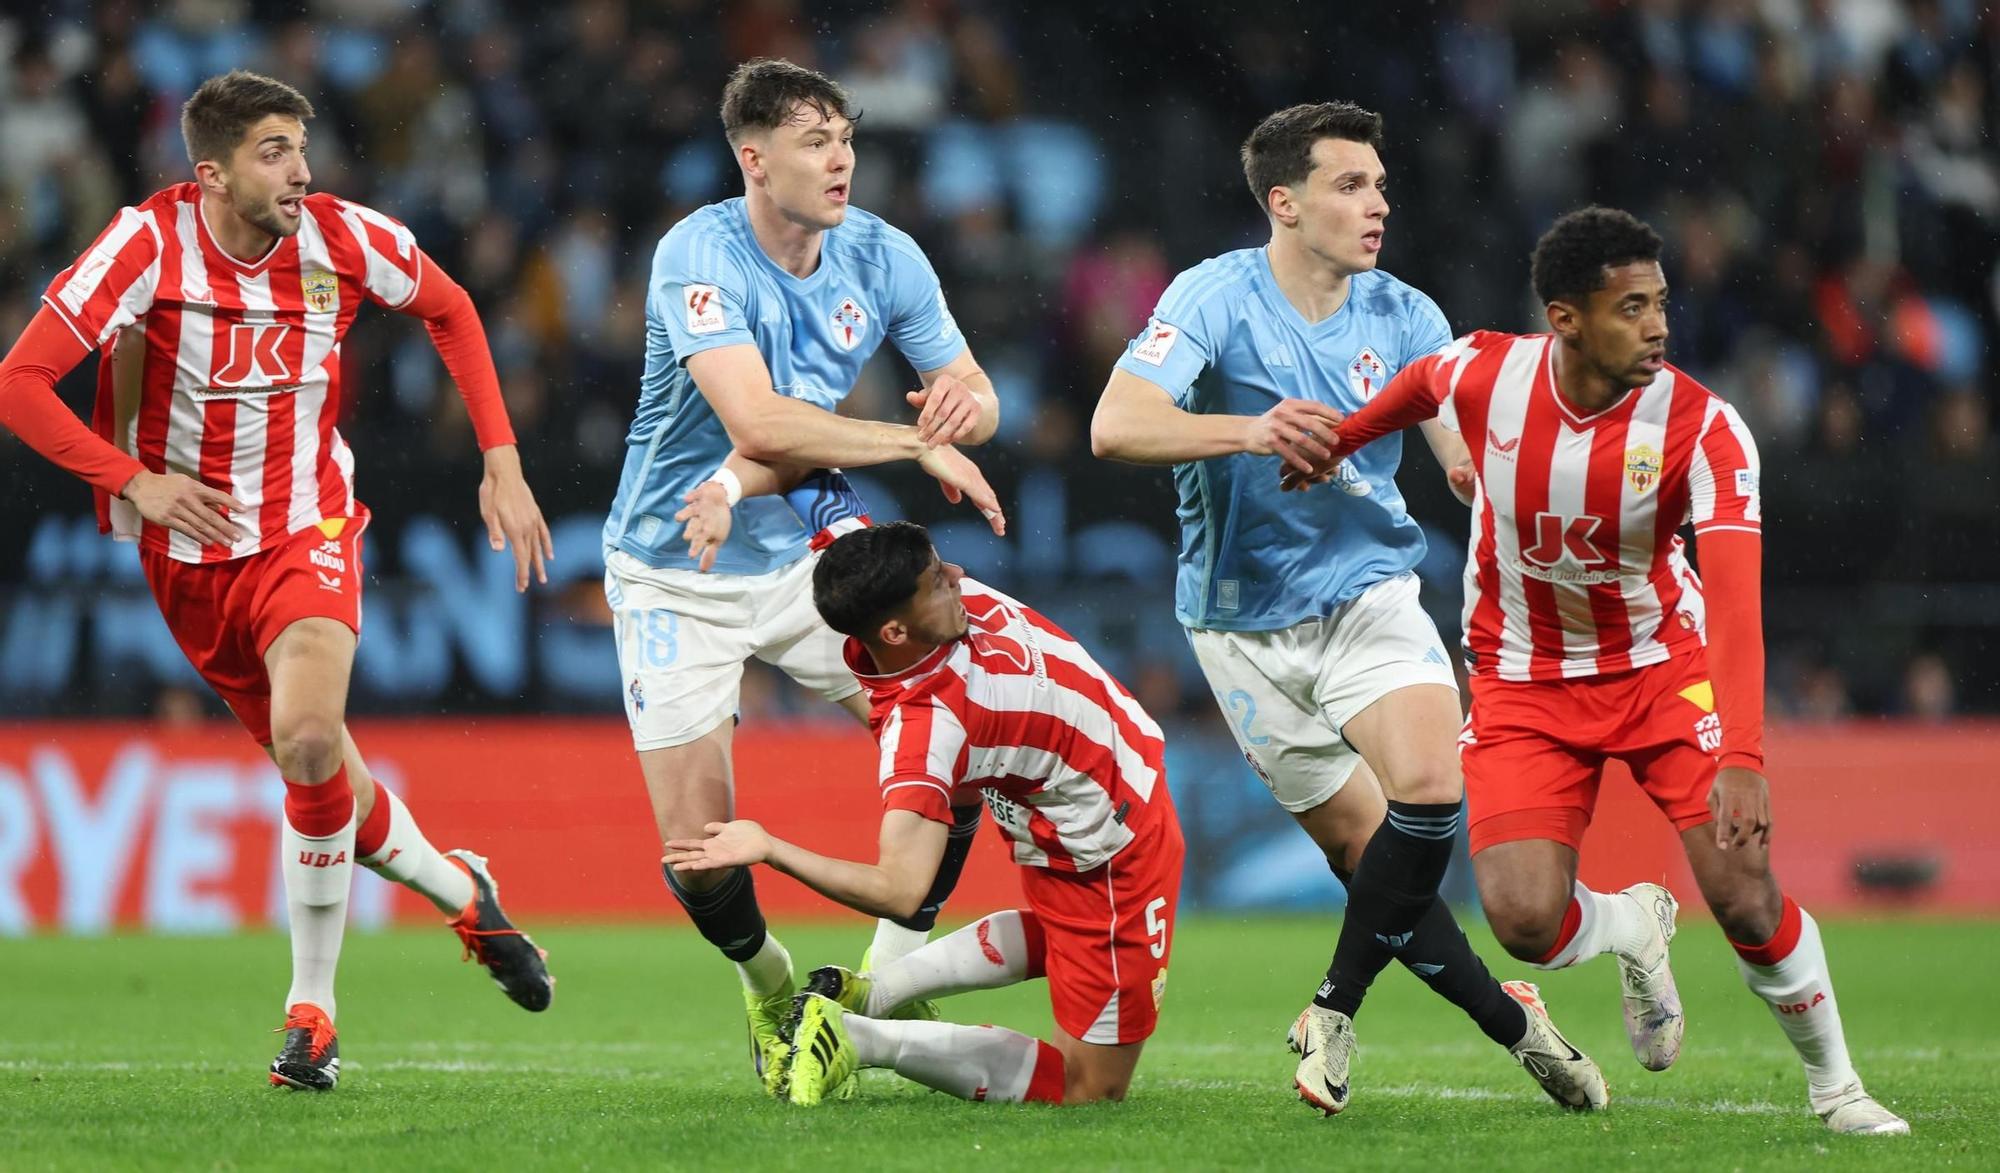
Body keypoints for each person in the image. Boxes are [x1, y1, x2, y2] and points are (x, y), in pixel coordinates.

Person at [1299, 206, 1908, 1137]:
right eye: (1632, 307)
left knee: (1745, 893)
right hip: (1522, 679)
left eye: (1661, 302)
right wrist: (1342, 440)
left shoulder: (1705, 428)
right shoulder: (1489, 372)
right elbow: (1421, 383)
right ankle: (1630, 925)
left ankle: (1838, 1087)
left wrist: (1743, 753)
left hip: (1664, 671)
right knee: (1524, 923)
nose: (1658, 324)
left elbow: (1739, 606)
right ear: (1566, 318)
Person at [0, 71, 554, 1091]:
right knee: (324, 772)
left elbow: (452, 306)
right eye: (271, 150)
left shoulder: (344, 237)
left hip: (308, 525)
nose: (300, 169)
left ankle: (313, 1014)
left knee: (306, 739)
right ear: (208, 173)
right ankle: (460, 887)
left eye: (300, 145)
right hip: (189, 555)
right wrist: (133, 482)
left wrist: (501, 459)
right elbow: (19, 383)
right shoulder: (146, 245)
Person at [1089, 101, 1606, 1114]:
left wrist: (1481, 476)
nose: (1376, 203)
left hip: (1368, 594)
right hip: (1238, 625)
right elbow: (1115, 424)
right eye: (1348, 185)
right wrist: (1248, 430)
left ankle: (1331, 1008)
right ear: (1282, 204)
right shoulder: (1212, 297)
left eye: (1378, 184)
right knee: (1373, 869)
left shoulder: (1406, 315)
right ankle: (1515, 1024)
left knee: (1426, 789)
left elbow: (1459, 445)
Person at [601, 58, 1006, 1089]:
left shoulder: (884, 255)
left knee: (955, 748)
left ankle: (875, 992)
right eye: (815, 141)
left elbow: (973, 390)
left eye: (846, 138)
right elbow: (757, 423)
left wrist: (959, 408)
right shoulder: (699, 253)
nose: (840, 160)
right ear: (754, 159)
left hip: (797, 560)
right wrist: (912, 444)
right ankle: (774, 985)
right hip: (670, 569)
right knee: (698, 853)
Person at [666, 521, 1180, 1106]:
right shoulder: (927, 729)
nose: (960, 579)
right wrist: (771, 848)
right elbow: (899, 891)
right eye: (938, 581)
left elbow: (826, 512)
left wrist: (923, 452)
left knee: (1067, 929)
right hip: (1108, 839)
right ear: (894, 629)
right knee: (1091, 1088)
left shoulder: (892, 590)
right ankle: (858, 1039)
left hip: (1072, 801)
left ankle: (873, 994)